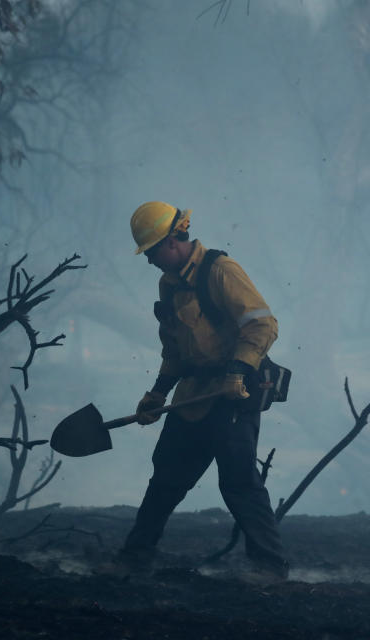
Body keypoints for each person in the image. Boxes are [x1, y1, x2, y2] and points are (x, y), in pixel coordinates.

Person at [119, 200, 288, 579]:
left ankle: (270, 570)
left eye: (151, 252)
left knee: (239, 482)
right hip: (193, 396)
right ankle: (133, 559)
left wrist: (238, 370)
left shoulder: (221, 271)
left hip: (233, 395)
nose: (149, 261)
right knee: (165, 478)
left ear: (173, 241)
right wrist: (157, 393)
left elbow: (263, 325)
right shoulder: (169, 284)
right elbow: (175, 350)